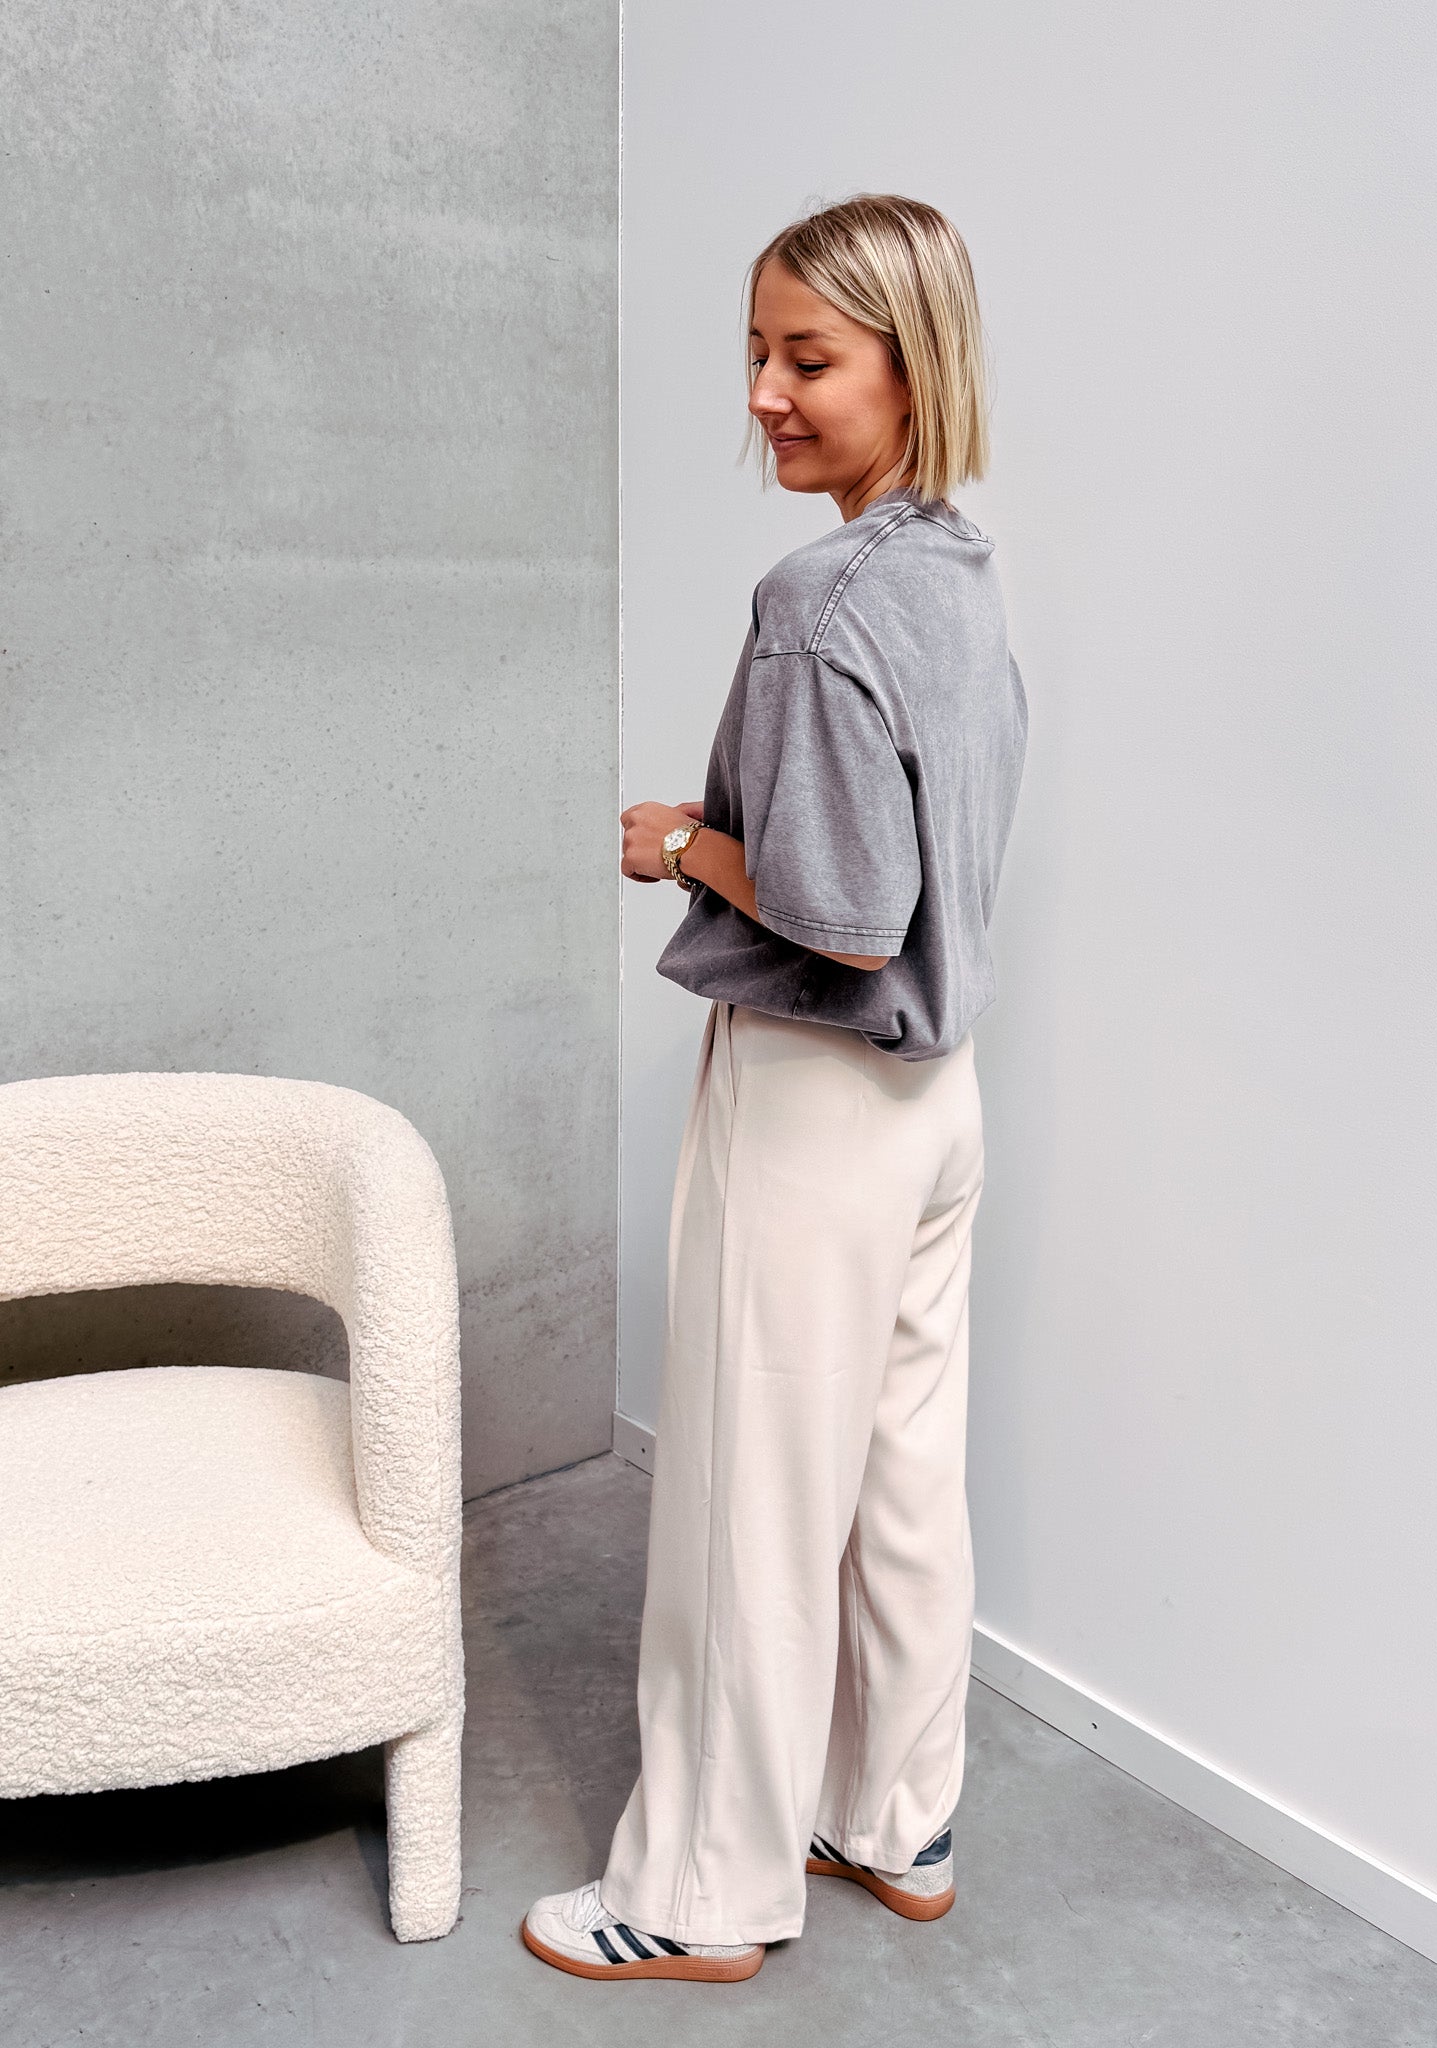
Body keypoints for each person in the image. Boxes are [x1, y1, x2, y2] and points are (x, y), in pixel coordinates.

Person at [522, 193, 1028, 1984]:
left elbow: (840, 908)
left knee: (748, 1497)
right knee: (899, 1480)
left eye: (807, 356)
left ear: (911, 362)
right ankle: (895, 1819)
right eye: (755, 352)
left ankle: (699, 1892)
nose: (763, 394)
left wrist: (682, 845)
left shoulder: (818, 601)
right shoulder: (955, 575)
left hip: (815, 1093)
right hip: (935, 1101)